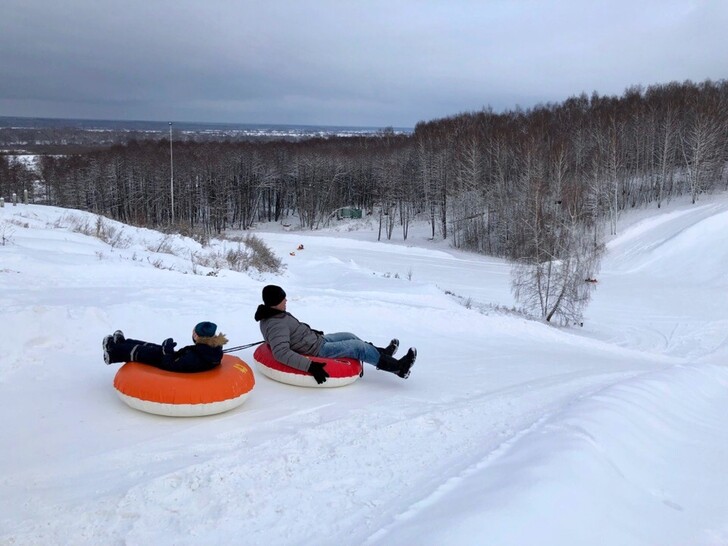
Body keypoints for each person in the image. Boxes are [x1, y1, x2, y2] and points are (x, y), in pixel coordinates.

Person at [254, 285, 416, 384]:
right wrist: (310, 366)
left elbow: (293, 332)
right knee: (357, 347)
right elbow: (281, 353)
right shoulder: (276, 324)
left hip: (316, 340)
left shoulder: (276, 315)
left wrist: (311, 333)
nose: (286, 301)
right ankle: (399, 368)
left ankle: (382, 354)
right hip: (317, 350)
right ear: (276, 302)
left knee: (349, 334)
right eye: (284, 299)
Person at [102, 321, 228, 373]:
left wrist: (166, 351)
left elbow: (171, 366)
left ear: (198, 337)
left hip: (170, 366)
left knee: (147, 353)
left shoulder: (196, 356)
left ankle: (113, 353)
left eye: (193, 333)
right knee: (154, 347)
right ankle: (122, 343)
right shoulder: (210, 349)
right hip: (182, 359)